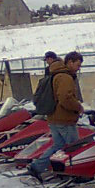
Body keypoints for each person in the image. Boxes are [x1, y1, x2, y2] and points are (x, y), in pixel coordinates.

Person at [27, 51, 85, 180]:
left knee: (58, 146)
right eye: (77, 64)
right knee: (74, 148)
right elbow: (65, 98)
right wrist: (78, 107)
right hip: (64, 119)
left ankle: (37, 167)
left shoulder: (55, 74)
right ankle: (75, 173)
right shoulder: (65, 77)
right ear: (70, 62)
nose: (79, 68)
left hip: (53, 117)